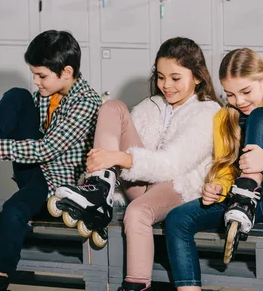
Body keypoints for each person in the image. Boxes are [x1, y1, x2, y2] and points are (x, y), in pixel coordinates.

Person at [51, 37, 221, 291]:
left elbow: (171, 165)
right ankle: (98, 189)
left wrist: (118, 158)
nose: (166, 86)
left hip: (177, 187)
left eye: (176, 78)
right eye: (161, 77)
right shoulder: (152, 105)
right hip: (140, 182)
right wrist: (105, 164)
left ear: (197, 77)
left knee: (138, 212)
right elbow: (122, 145)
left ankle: (136, 285)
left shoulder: (208, 111)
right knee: (112, 106)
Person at [0, 30, 102, 291]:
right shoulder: (47, 95)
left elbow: (47, 149)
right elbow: (14, 120)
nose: (36, 81)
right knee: (17, 96)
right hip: (33, 172)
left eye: (41, 75)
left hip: (55, 187)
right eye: (34, 74)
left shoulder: (86, 103)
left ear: (66, 72)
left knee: (13, 212)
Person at [164, 47, 263, 290]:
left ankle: (247, 193)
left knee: (261, 115)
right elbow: (224, 170)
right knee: (177, 219)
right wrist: (217, 188)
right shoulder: (223, 117)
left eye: (245, 91)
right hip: (236, 204)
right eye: (230, 94)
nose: (239, 101)